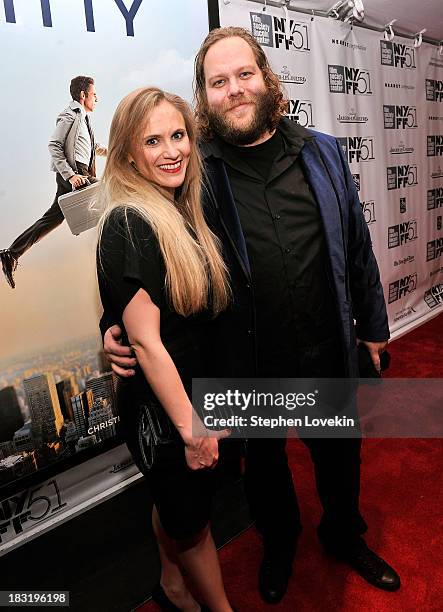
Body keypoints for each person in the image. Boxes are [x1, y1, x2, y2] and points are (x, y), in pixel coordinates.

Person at [102, 27, 401, 604]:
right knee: (265, 472)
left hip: (324, 351)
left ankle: (344, 535)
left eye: (244, 75)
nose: (234, 90)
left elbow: (356, 248)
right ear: (204, 96)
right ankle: (280, 543)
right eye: (218, 82)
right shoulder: (193, 172)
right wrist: (112, 331)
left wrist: (375, 328)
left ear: (267, 77)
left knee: (341, 459)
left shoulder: (324, 151)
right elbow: (145, 261)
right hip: (246, 362)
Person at [97, 86, 234, 612]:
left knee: (178, 504)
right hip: (167, 405)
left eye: (177, 135)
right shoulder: (130, 220)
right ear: (130, 154)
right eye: (152, 141)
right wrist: (193, 430)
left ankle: (172, 585)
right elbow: (149, 345)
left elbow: (136, 312)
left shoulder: (178, 210)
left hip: (190, 391)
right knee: (194, 523)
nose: (171, 150)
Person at [0, 75, 106, 289]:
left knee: (53, 218)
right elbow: (54, 146)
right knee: (113, 191)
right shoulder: (69, 116)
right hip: (75, 174)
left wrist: (115, 151)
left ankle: (11, 253)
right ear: (83, 95)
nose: (97, 99)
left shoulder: (83, 118)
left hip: (80, 171)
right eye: (94, 95)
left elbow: (91, 147)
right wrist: (70, 176)